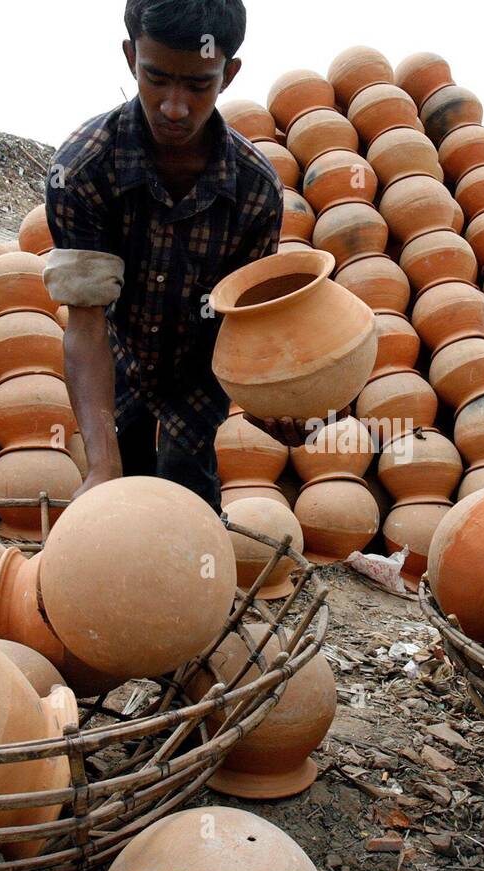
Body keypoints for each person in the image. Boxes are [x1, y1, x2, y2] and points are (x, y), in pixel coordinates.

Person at [45, 0, 297, 511]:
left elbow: (242, 323)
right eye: (155, 78)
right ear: (129, 57)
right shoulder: (83, 170)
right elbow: (87, 322)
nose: (175, 106)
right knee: (117, 503)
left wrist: (278, 398)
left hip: (200, 366)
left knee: (189, 496)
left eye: (198, 84)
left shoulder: (255, 190)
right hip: (115, 354)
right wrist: (102, 466)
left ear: (229, 74)